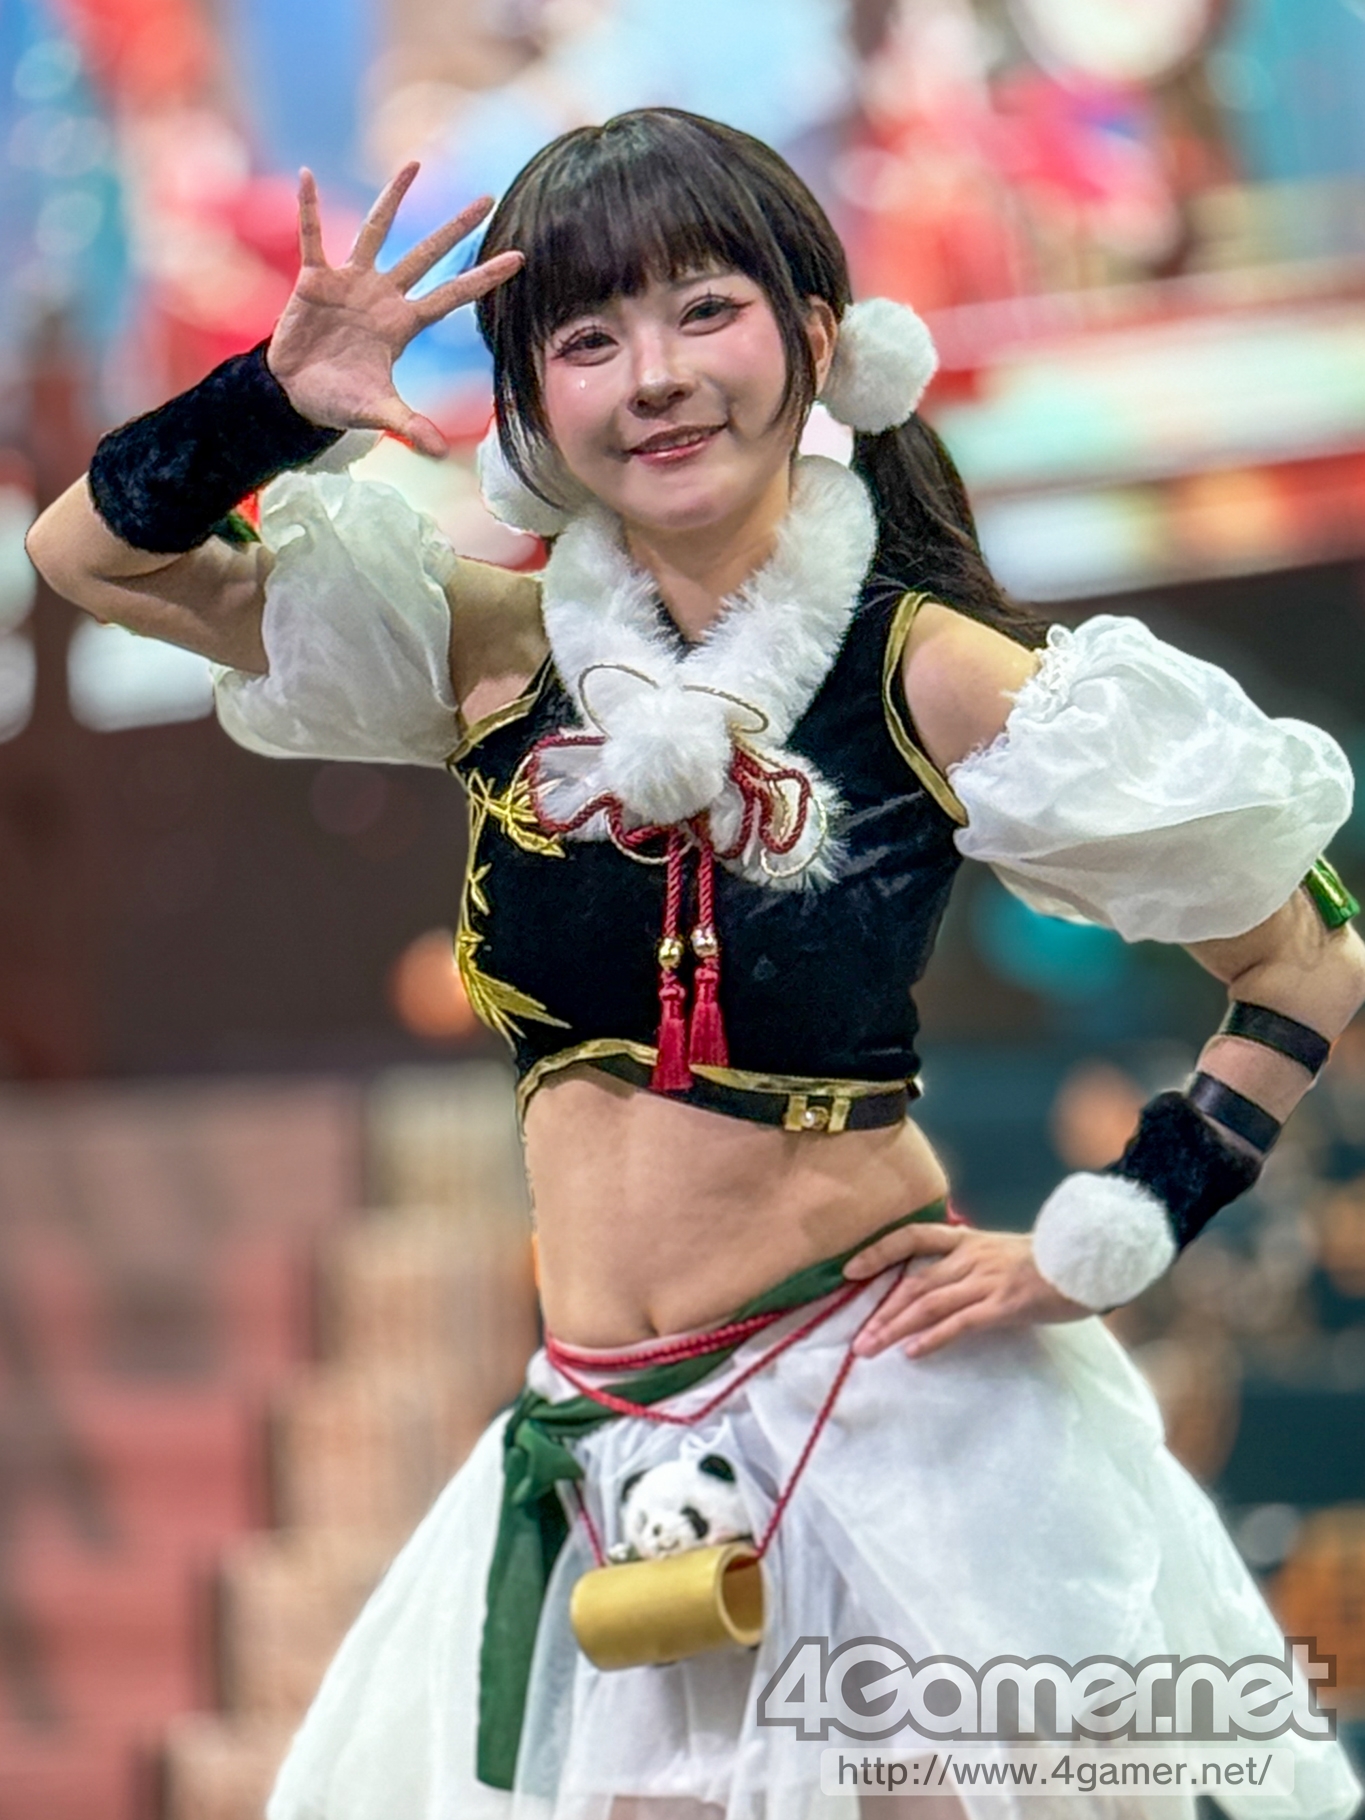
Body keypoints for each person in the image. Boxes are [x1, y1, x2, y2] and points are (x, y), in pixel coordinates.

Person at [26, 108, 1365, 1820]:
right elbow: (90, 555)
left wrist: (1114, 1229)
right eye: (587, 339)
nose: (653, 378)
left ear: (815, 336)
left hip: (895, 1430)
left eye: (703, 311)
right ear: (532, 405)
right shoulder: (489, 652)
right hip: (602, 1435)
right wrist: (273, 403)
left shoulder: (929, 669)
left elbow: (1306, 955)